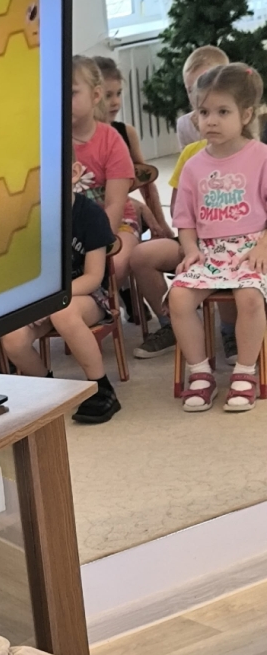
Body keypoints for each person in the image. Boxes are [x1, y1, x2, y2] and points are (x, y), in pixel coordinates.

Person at [169, 63, 267, 412]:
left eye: (222, 112)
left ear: (246, 114)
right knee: (178, 297)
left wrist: (263, 246)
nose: (210, 120)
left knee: (249, 296)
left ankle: (245, 371)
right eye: (204, 111)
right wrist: (190, 250)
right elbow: (184, 220)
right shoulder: (193, 165)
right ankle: (200, 372)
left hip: (253, 248)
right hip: (209, 252)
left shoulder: (261, 156)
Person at [131, 45, 237, 360]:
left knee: (228, 263)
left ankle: (230, 331)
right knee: (141, 256)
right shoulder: (190, 147)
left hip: (235, 243)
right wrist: (189, 242)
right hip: (194, 238)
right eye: (191, 90)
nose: (198, 95)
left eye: (208, 83)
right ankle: (171, 326)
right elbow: (180, 208)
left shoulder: (250, 150)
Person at [1, 149, 121, 425]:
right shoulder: (27, 218)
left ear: (74, 173)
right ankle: (47, 388)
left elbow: (93, 277)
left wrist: (53, 299)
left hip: (87, 296)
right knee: (13, 337)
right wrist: (36, 302)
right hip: (42, 298)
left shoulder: (90, 214)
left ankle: (101, 387)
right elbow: (21, 274)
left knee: (63, 312)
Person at [94, 55, 173, 241]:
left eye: (118, 93)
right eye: (108, 95)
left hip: (124, 216)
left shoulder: (126, 133)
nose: (115, 102)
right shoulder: (79, 138)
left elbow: (146, 179)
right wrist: (137, 204)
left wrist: (162, 224)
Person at [71, 55, 135, 285]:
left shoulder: (111, 140)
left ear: (95, 95)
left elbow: (115, 204)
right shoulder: (50, 141)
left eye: (72, 93)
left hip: (115, 225)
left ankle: (109, 299)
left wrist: (94, 247)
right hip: (72, 231)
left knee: (115, 265)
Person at [177, 45, 230, 149]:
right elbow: (188, 157)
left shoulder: (234, 118)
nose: (195, 96)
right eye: (190, 90)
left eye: (203, 88)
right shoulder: (184, 125)